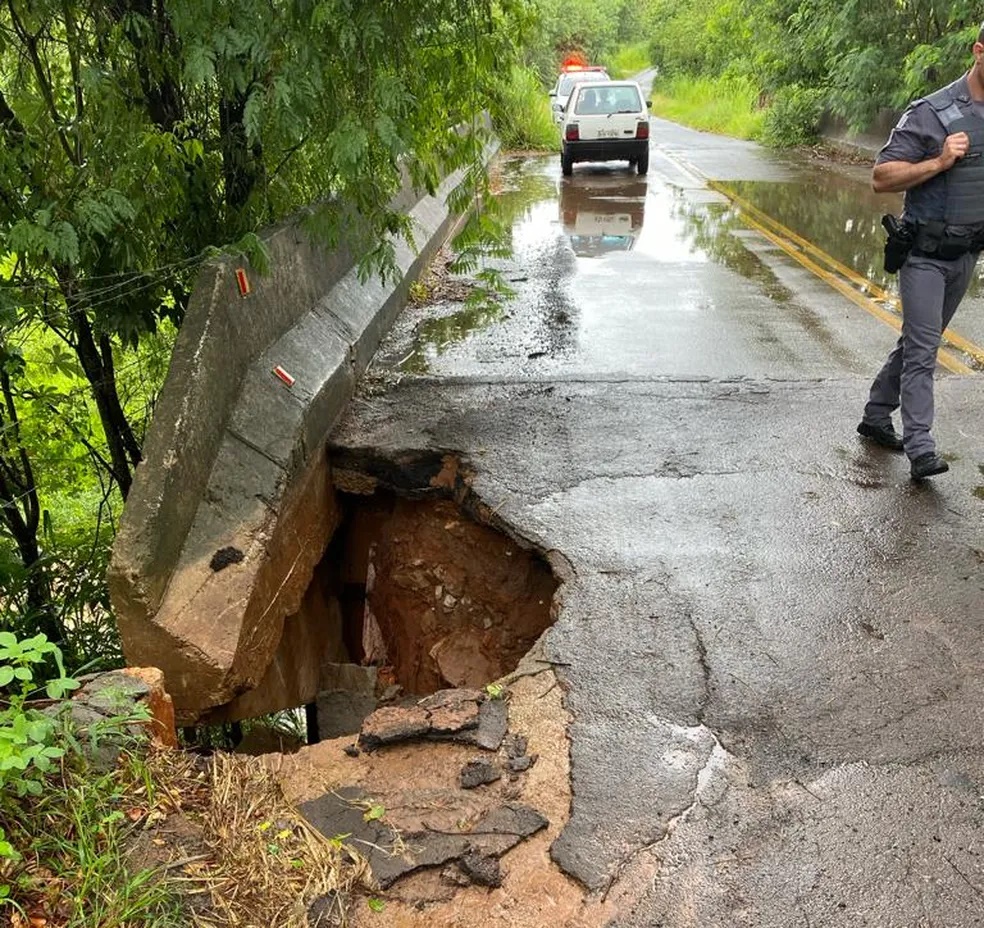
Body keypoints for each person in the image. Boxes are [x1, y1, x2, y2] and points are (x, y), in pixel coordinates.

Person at [858, 23, 984, 480]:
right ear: (978, 52)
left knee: (916, 343)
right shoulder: (933, 112)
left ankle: (875, 415)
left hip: (966, 254)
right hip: (925, 254)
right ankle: (921, 447)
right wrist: (940, 161)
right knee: (924, 351)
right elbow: (881, 178)